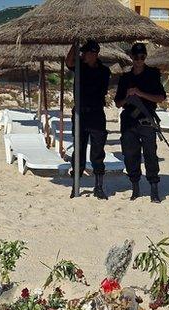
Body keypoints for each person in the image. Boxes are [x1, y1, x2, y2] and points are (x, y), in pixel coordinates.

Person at [115, 42, 167, 202]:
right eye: (136, 57)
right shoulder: (125, 78)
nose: (139, 60)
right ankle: (135, 186)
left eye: (142, 57)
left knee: (150, 153)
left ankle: (154, 188)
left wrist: (140, 93)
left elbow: (161, 97)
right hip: (129, 121)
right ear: (131, 57)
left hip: (146, 119)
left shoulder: (152, 74)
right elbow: (118, 103)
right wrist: (128, 98)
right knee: (130, 154)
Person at [66, 40, 111, 199]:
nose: (84, 55)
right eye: (83, 52)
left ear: (94, 54)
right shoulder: (79, 66)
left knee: (98, 152)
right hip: (80, 114)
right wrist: (74, 45)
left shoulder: (104, 71)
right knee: (78, 151)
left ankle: (98, 186)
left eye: (87, 53)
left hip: (96, 114)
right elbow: (69, 61)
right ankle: (75, 185)